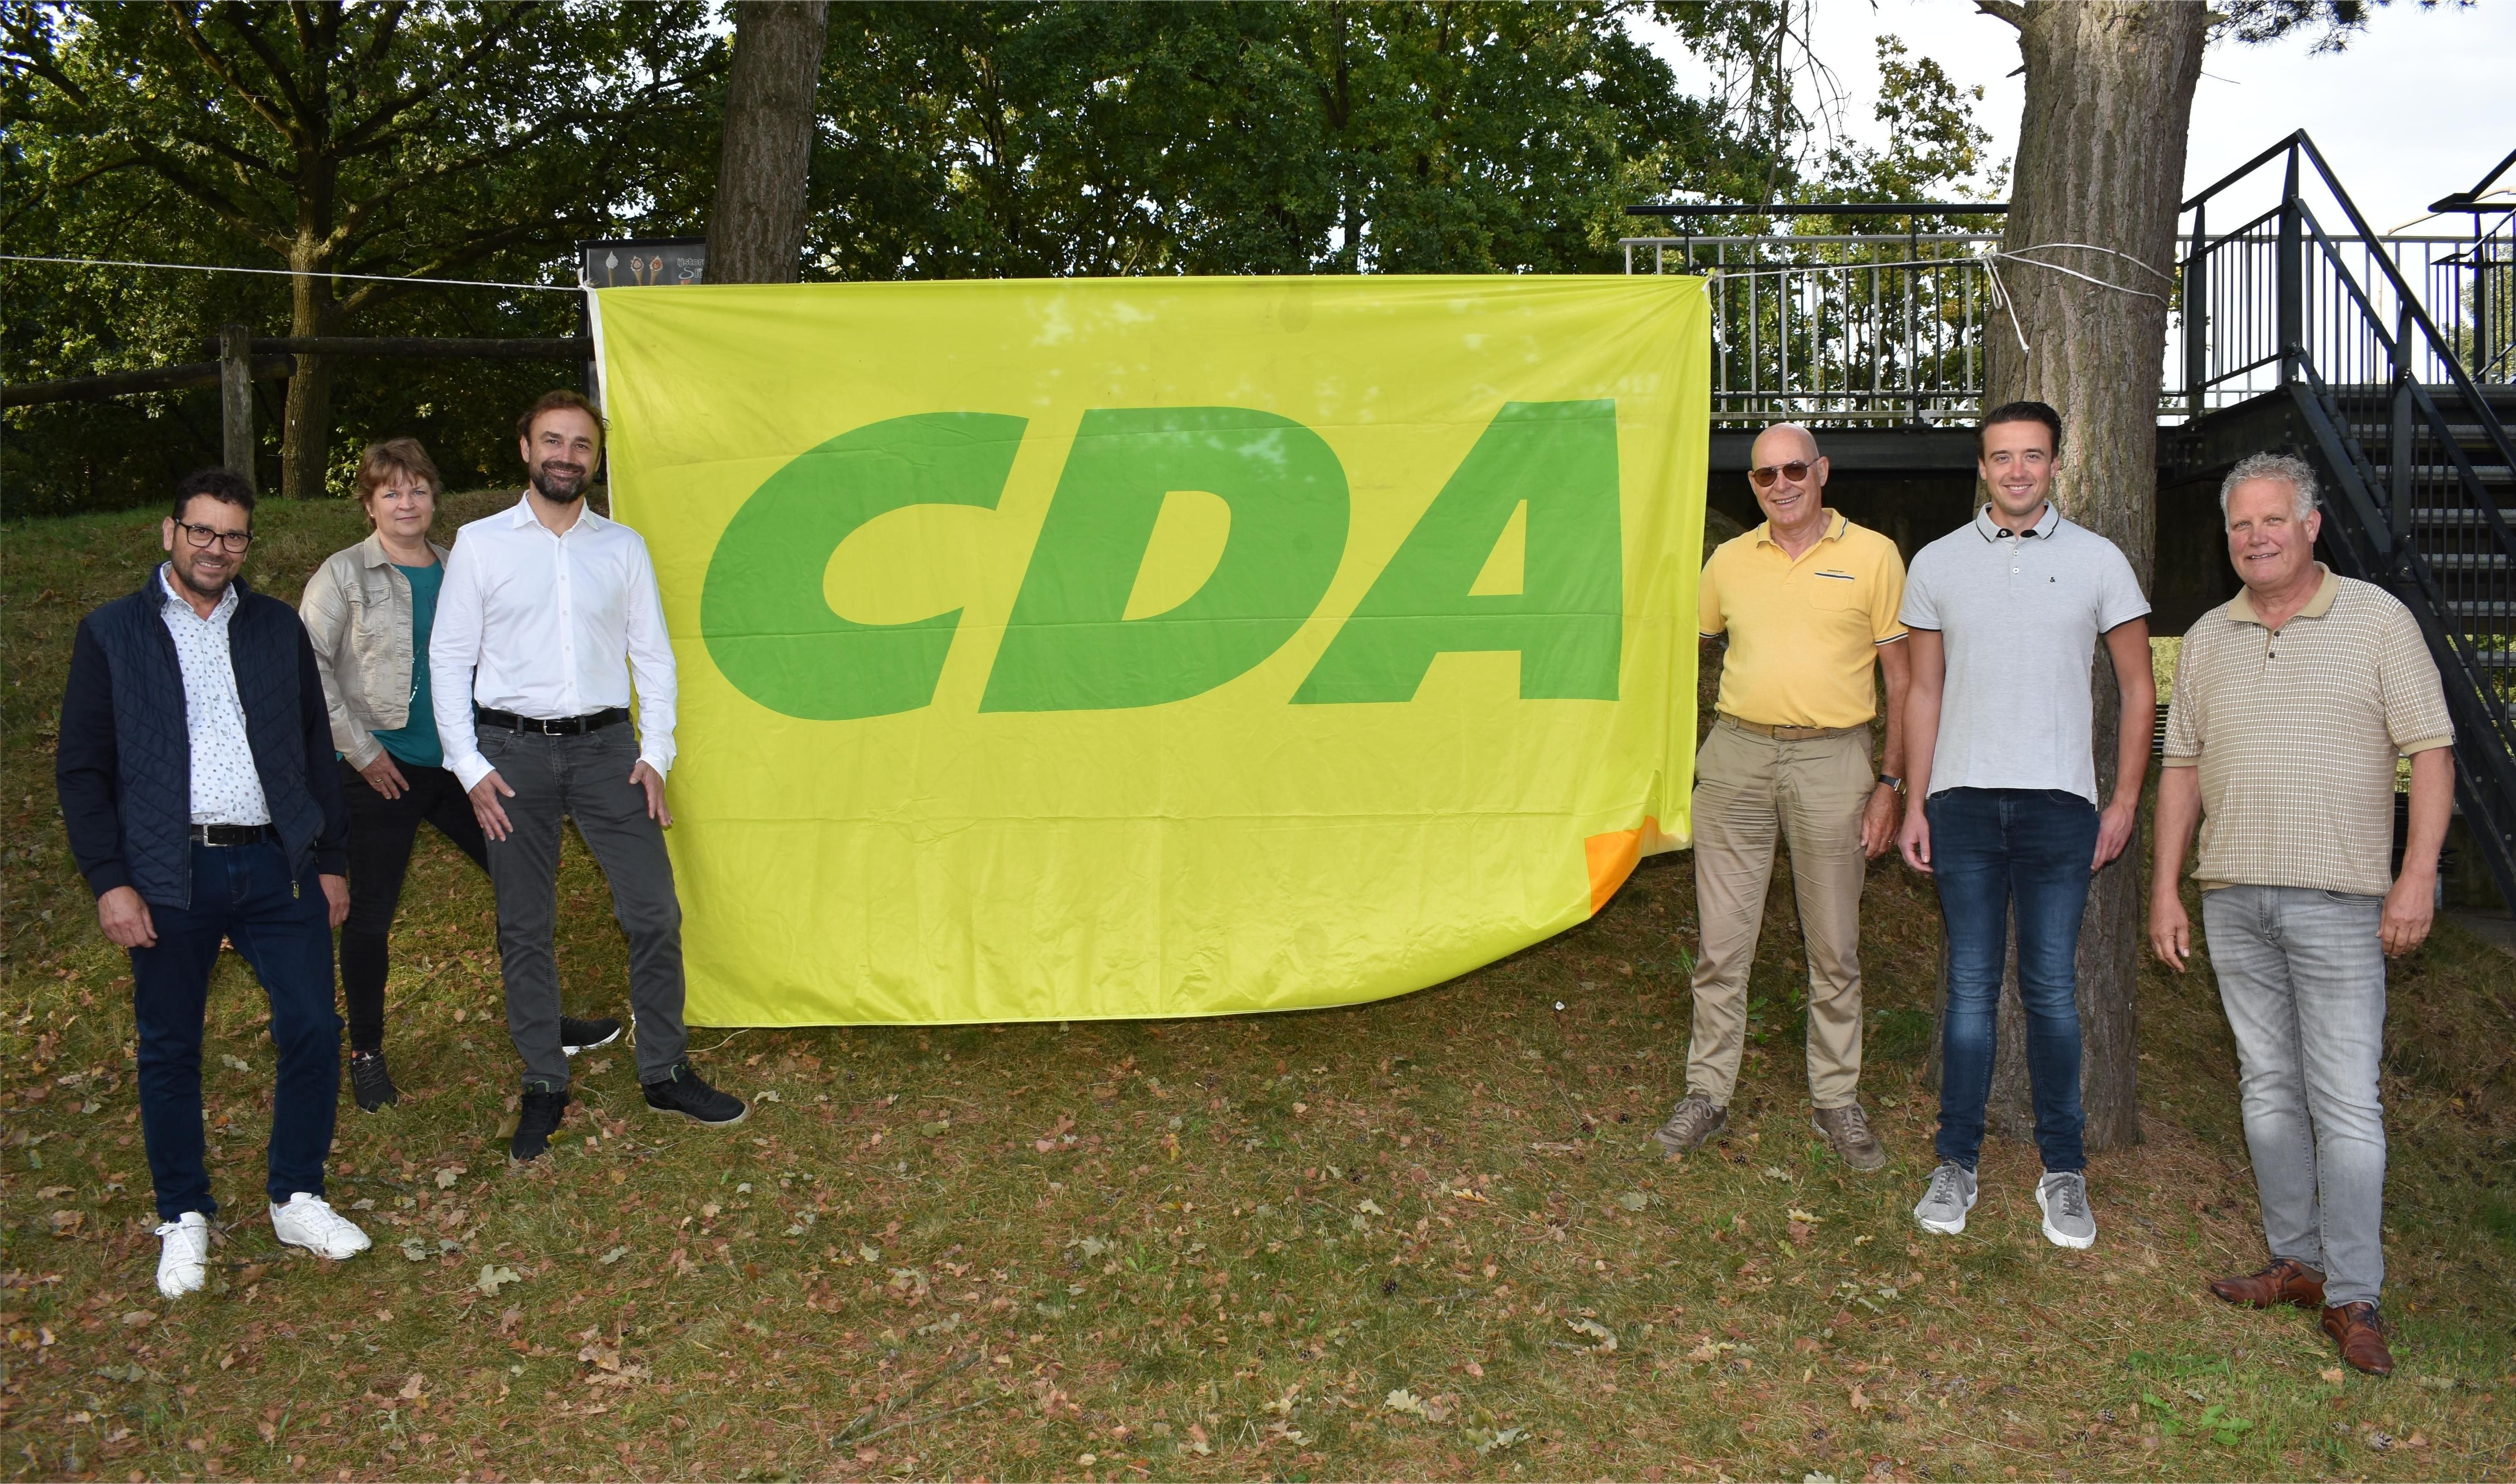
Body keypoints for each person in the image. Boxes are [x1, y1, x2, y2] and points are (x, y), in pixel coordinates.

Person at [2150, 452, 2451, 1377]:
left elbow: (2431, 752)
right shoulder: (2209, 637)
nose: (2256, 537)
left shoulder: (2377, 620)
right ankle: (2297, 1262)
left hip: (2341, 902)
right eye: (2240, 524)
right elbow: (2181, 770)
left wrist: (2417, 875)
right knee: (2267, 1086)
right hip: (2233, 896)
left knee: (2346, 1100)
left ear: (2311, 524)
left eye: (2272, 519)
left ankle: (2354, 1294)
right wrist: (2165, 886)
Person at [56, 467, 374, 1299]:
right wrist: (110, 880)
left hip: (277, 862)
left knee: (312, 1025)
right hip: (170, 868)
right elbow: (82, 770)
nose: (216, 548)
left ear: (246, 545)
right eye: (201, 531)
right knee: (171, 1043)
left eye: (233, 536)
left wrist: (331, 857)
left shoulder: (274, 627)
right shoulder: (112, 632)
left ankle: (297, 1194)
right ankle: (183, 1212)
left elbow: (315, 748)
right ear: (170, 532)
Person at [430, 389, 746, 1163]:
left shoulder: (623, 548)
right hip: (510, 755)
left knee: (654, 912)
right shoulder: (480, 544)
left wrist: (656, 754)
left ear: (596, 459)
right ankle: (544, 1079)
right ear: (525, 448)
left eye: (581, 445)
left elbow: (654, 657)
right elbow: (447, 657)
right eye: (553, 440)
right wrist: (468, 764)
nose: (566, 456)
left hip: (609, 753)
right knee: (524, 924)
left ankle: (665, 1070)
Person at [1894, 400, 2154, 1251]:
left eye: (2032, 456)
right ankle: (1955, 1163)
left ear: (2055, 465)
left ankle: (2064, 1171)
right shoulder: (1937, 563)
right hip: (1962, 804)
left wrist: (2124, 801)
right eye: (2002, 456)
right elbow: (1923, 690)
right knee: (1970, 989)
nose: (2016, 471)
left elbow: (2139, 687)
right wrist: (1914, 801)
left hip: (2059, 806)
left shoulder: (2099, 560)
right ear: (1982, 466)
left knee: (2050, 992)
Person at [304, 440, 626, 1112]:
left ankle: (544, 1022)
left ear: (434, 498)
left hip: (462, 762)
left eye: (418, 490)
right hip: (380, 769)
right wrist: (361, 751)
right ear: (368, 504)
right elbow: (308, 670)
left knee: (521, 885)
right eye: (391, 492)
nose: (407, 503)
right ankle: (366, 1051)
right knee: (371, 913)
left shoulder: (462, 564)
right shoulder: (342, 574)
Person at [1654, 423, 1911, 1171]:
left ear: (1822, 471)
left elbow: (1903, 682)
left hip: (1834, 760)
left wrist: (1891, 785)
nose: (1781, 485)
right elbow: (1681, 653)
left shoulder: (1874, 556)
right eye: (1765, 475)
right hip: (1736, 756)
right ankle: (1707, 1092)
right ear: (1752, 485)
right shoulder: (1729, 560)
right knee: (1720, 946)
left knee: (1835, 948)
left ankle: (1837, 1098)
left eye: (1794, 469)